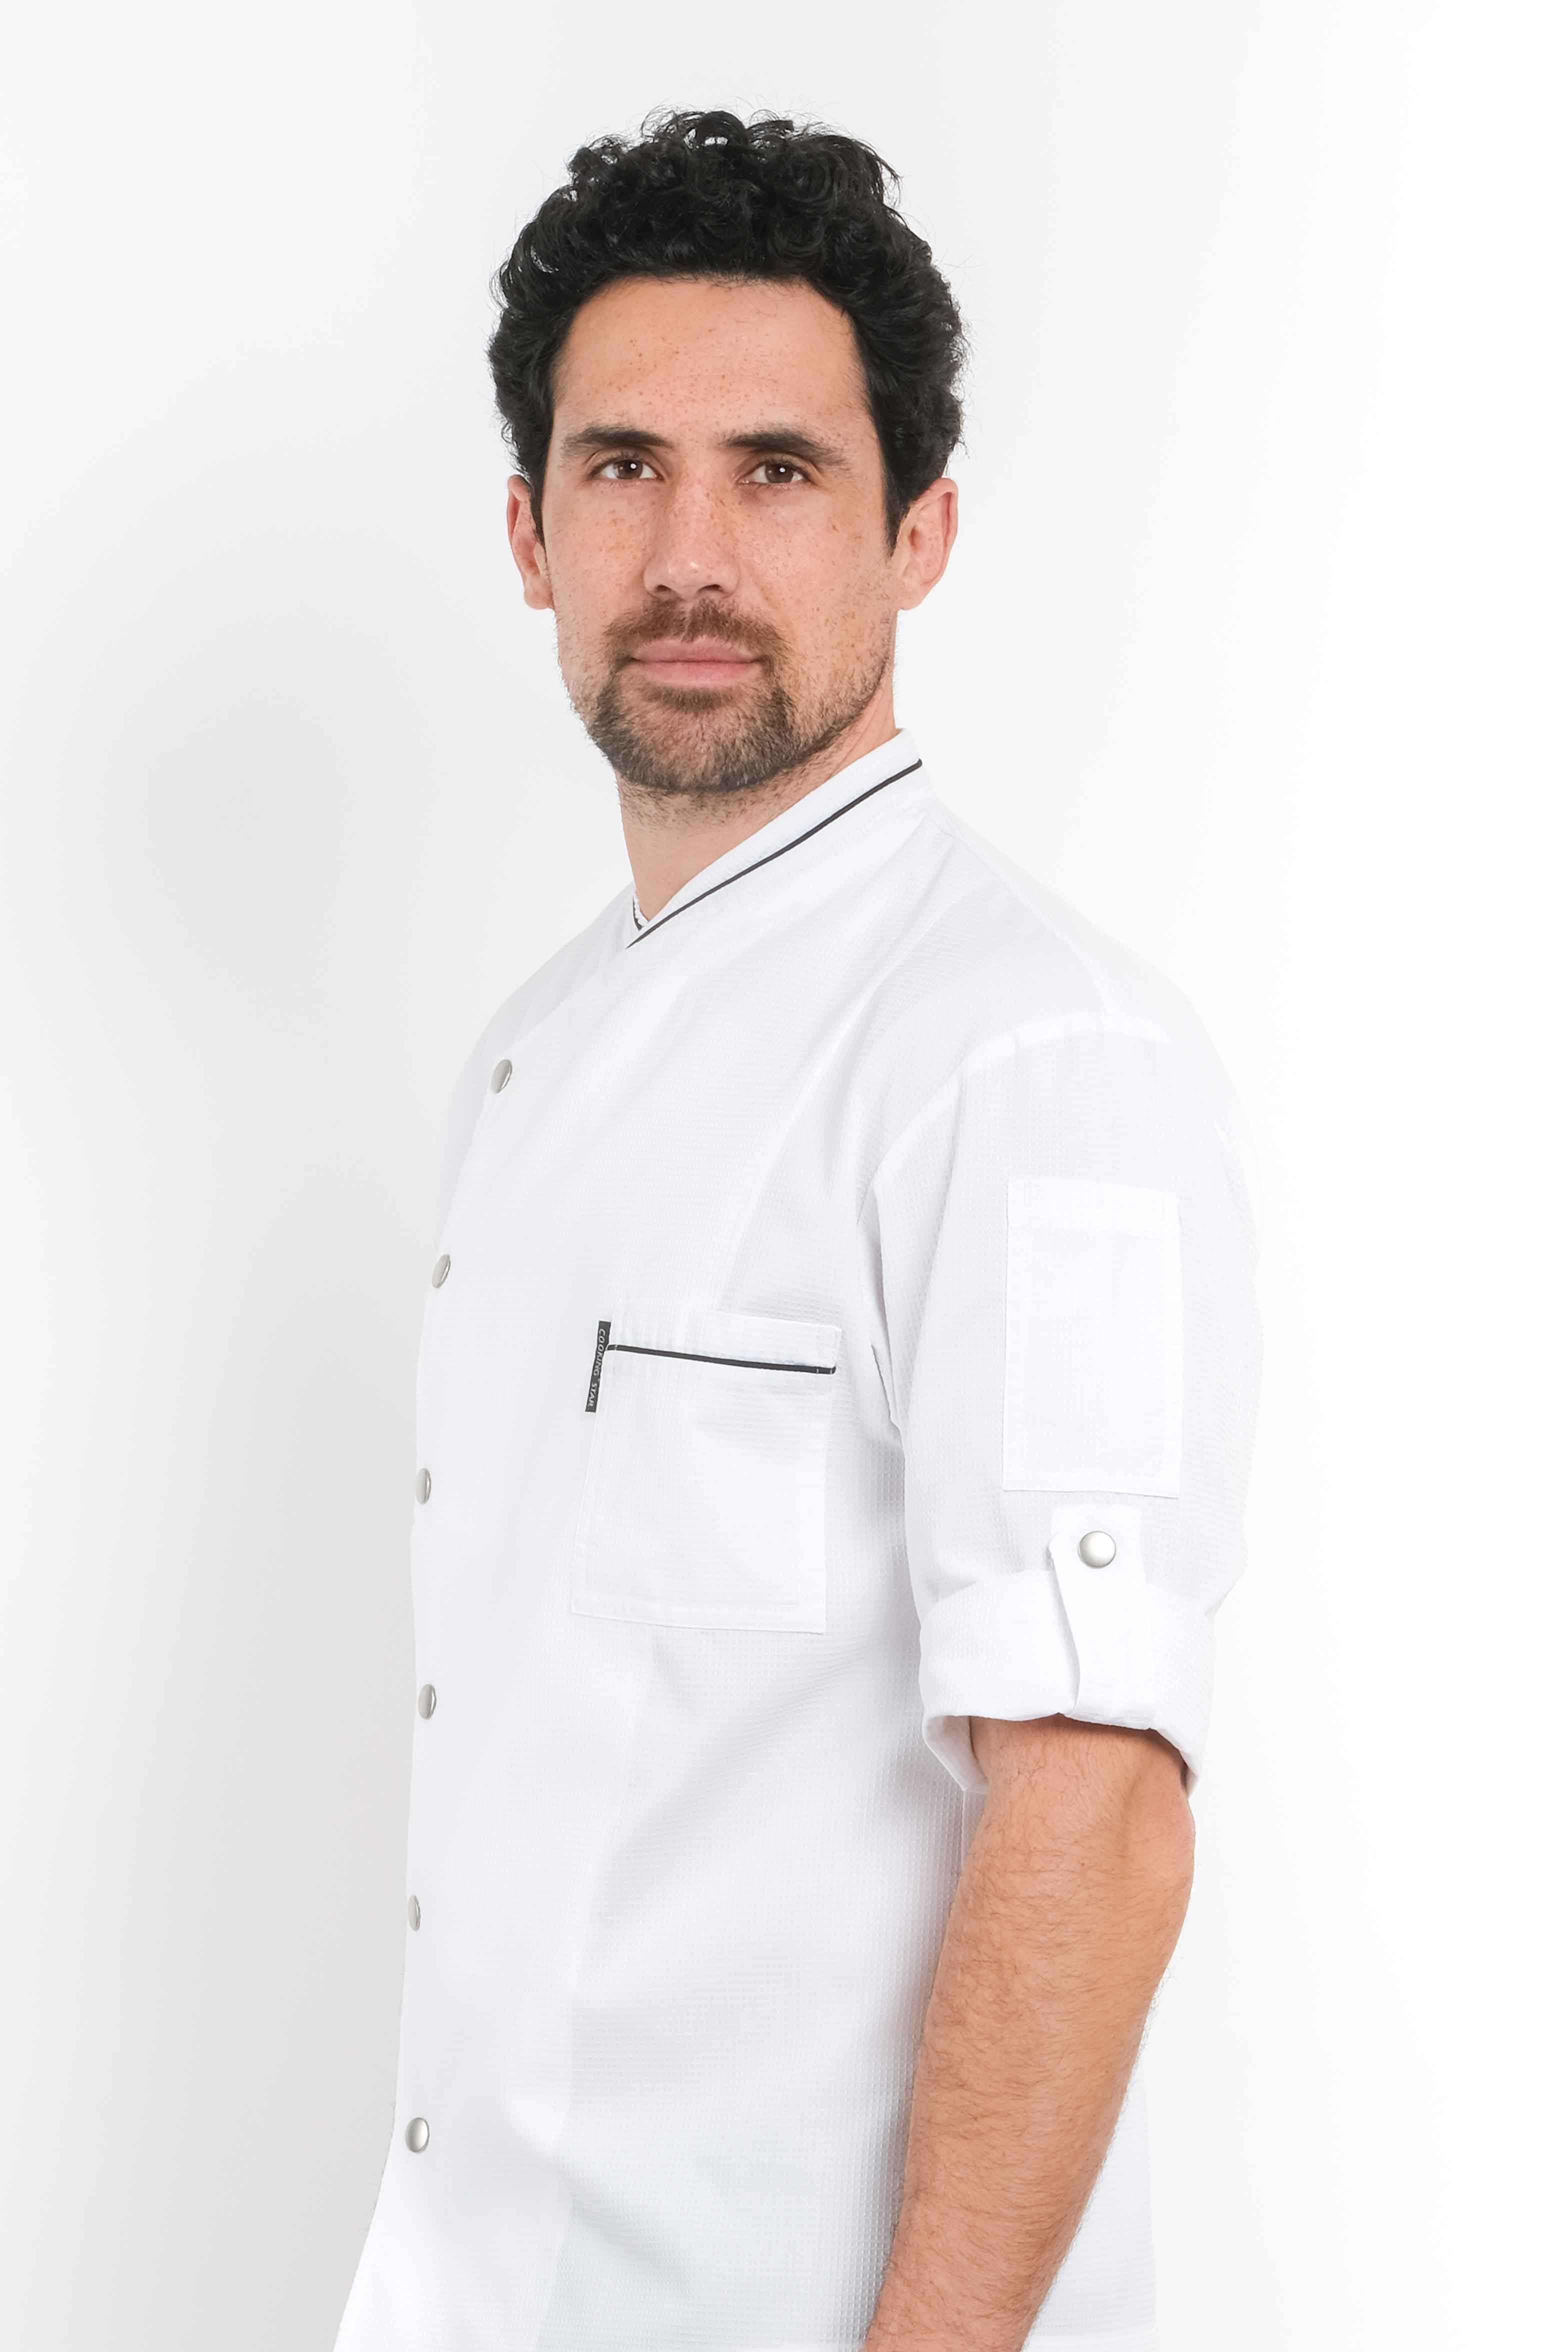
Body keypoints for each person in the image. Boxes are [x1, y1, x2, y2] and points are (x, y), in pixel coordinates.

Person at [334, 104, 1264, 2352]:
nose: (689, 557)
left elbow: (1093, 1808)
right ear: (531, 533)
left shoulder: (1026, 1061)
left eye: (777, 472)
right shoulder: (529, 1056)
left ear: (916, 532)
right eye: (620, 467)